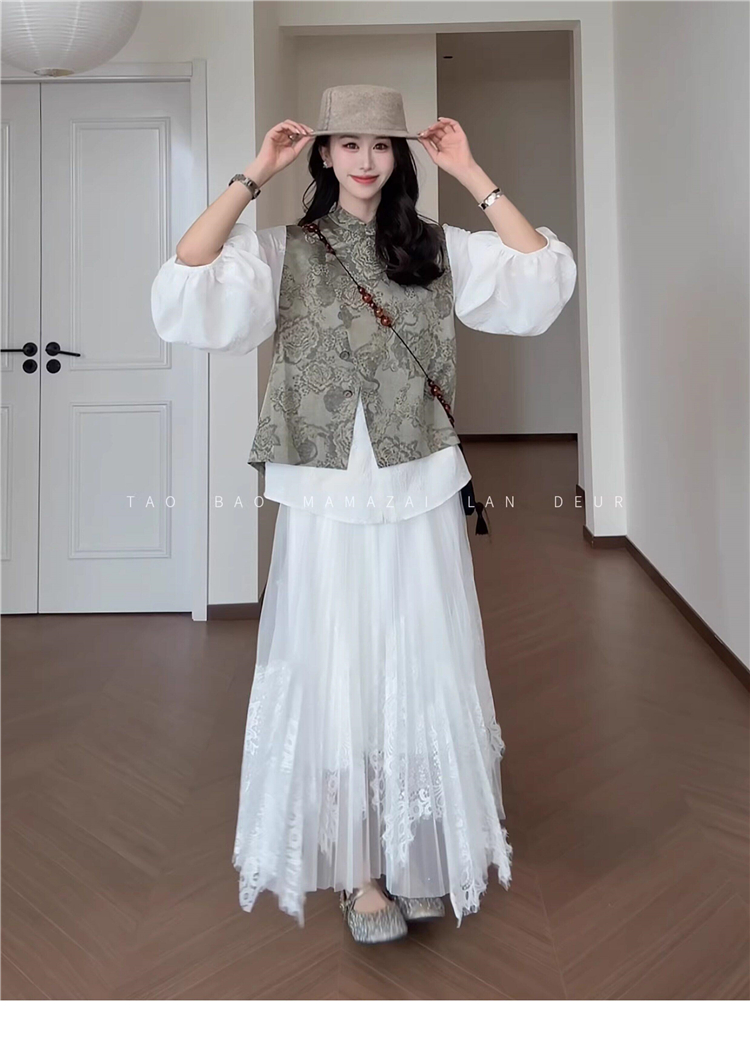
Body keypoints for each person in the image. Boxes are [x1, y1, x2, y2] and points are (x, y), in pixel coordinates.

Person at [151, 84, 577, 944]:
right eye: (348, 143)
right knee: (336, 659)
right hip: (325, 490)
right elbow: (188, 273)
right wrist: (254, 173)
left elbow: (541, 276)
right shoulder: (283, 248)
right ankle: (359, 870)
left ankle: (418, 853)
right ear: (323, 154)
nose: (365, 159)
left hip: (416, 480)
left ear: (400, 157)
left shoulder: (438, 247)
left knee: (419, 651)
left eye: (382, 145)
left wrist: (472, 172)